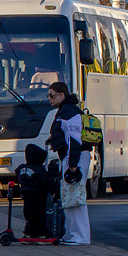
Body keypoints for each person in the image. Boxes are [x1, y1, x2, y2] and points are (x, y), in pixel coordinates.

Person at [47, 81, 89, 245]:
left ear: (62, 95)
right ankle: (72, 235)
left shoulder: (69, 111)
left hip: (75, 157)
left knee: (76, 195)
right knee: (69, 196)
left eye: (52, 95)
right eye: (48, 95)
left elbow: (74, 139)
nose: (49, 98)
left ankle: (81, 236)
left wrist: (72, 165)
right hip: (72, 156)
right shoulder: (64, 110)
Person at [14, 143, 53, 239]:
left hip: (26, 195)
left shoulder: (21, 168)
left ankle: (29, 232)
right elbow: (46, 182)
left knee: (29, 216)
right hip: (38, 196)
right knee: (39, 215)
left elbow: (17, 175)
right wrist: (53, 190)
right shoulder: (39, 170)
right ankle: (41, 233)